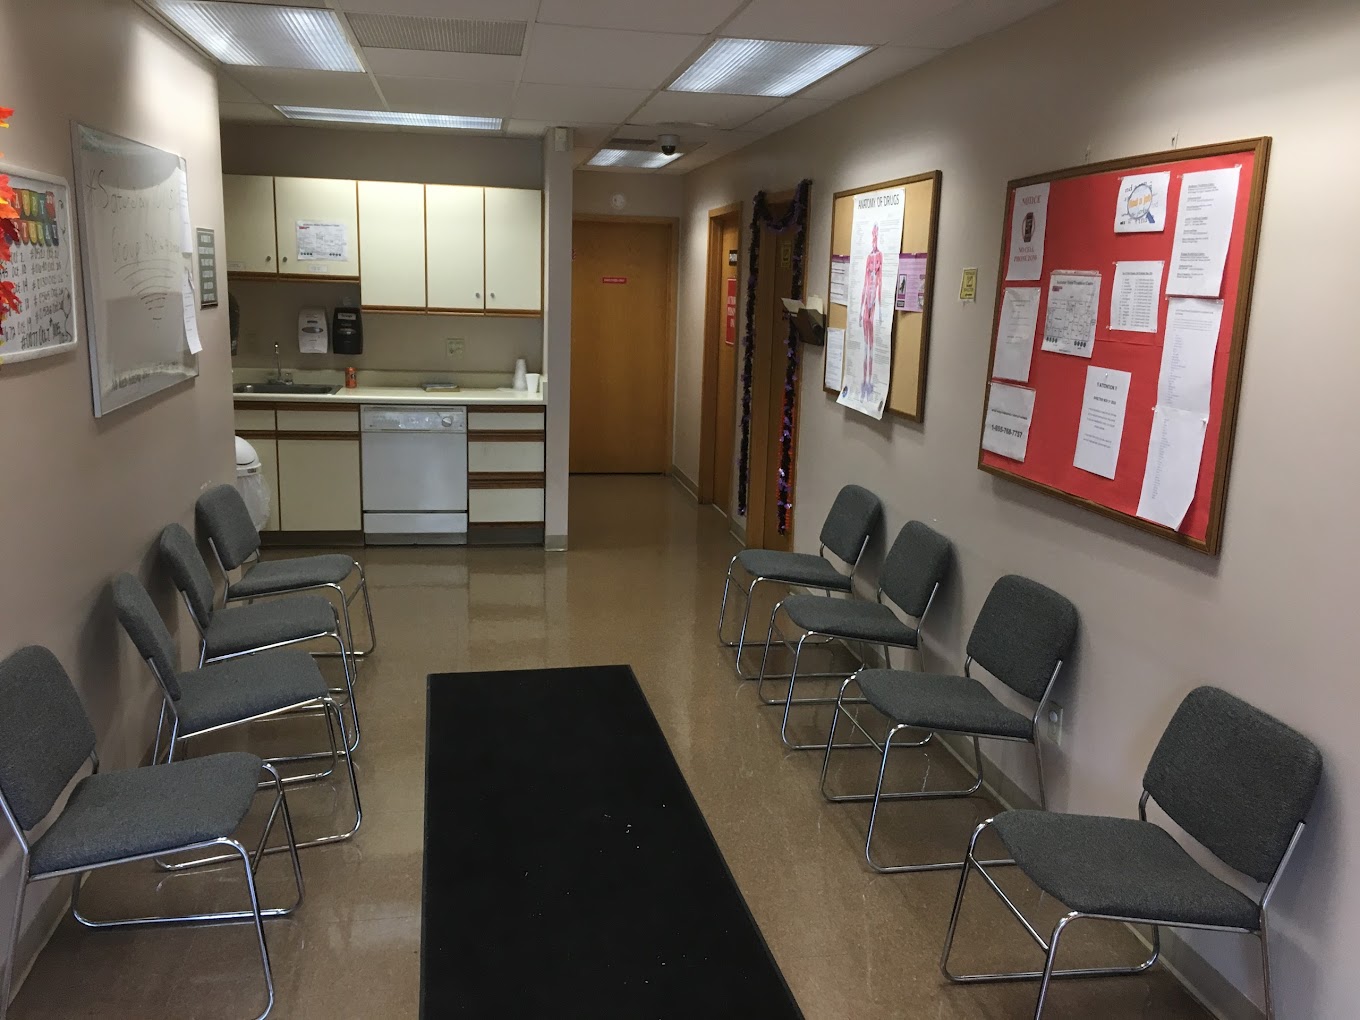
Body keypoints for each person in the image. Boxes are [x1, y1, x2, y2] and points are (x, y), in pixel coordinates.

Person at [859, 224, 883, 399]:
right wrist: (861, 309)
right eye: (873, 235)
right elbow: (865, 284)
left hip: (874, 303)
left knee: (872, 345)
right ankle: (864, 381)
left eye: (876, 234)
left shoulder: (880, 256)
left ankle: (870, 383)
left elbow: (879, 283)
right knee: (866, 346)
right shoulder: (869, 258)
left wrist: (880, 309)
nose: (874, 238)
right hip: (867, 301)